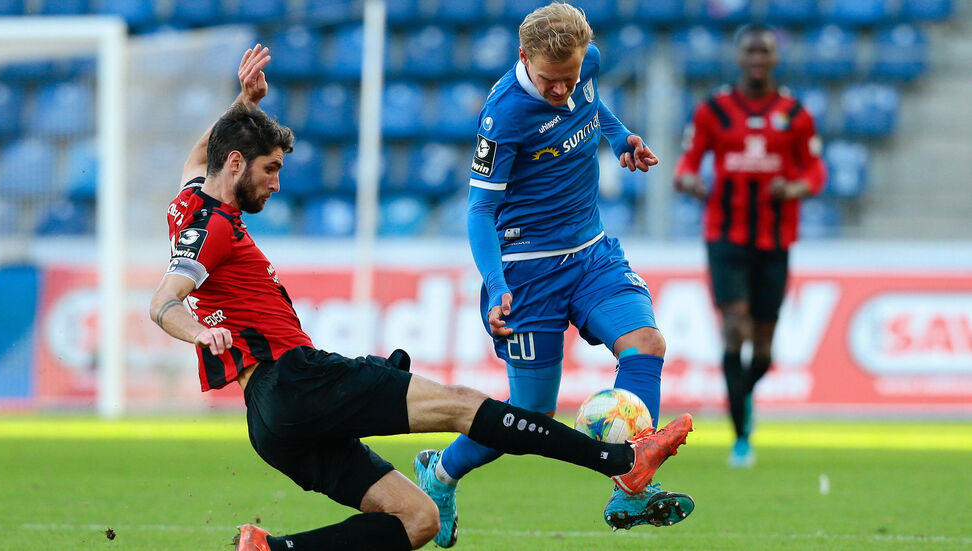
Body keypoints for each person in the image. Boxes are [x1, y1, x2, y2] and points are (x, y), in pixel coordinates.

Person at [149, 44, 693, 551]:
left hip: (270, 422)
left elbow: (203, 152)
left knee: (419, 519)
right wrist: (200, 332)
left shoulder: (190, 198)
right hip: (296, 380)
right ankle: (619, 461)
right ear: (237, 164)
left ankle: (271, 548)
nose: (276, 183)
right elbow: (164, 302)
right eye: (270, 169)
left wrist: (245, 104)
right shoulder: (216, 229)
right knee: (461, 405)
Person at [413, 4, 694, 547]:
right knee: (532, 413)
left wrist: (619, 136)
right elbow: (479, 211)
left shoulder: (586, 65)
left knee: (646, 344)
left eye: (570, 76)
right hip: (528, 272)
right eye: (550, 80)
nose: (562, 90)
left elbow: (591, 103)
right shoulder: (503, 116)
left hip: (591, 254)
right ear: (523, 57)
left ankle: (629, 485)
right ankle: (441, 473)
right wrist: (497, 285)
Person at [673, 24, 826, 468]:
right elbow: (688, 161)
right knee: (733, 327)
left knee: (762, 350)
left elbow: (816, 171)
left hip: (774, 240)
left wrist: (794, 188)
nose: (757, 59)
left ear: (775, 58)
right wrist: (688, 179)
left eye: (765, 52)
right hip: (725, 235)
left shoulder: (795, 114)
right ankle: (741, 438)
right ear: (739, 58)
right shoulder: (714, 111)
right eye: (751, 52)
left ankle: (741, 396)